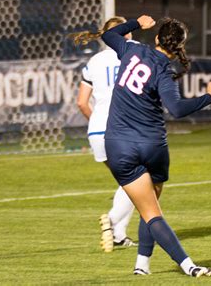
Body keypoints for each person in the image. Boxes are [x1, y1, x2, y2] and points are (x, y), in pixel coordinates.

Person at [101, 15, 211, 277]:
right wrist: (209, 96)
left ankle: (142, 266)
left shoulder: (131, 49)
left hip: (118, 146)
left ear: (156, 38)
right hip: (151, 144)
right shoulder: (164, 72)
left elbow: (108, 35)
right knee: (151, 208)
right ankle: (188, 266)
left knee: (149, 209)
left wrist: (135, 22)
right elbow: (177, 109)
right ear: (179, 46)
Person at [70, 17, 137, 252]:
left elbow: (81, 102)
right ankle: (111, 221)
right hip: (125, 128)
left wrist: (97, 125)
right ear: (125, 33)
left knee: (128, 183)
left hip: (98, 131)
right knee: (140, 180)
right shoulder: (134, 53)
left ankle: (119, 235)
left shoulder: (94, 61)